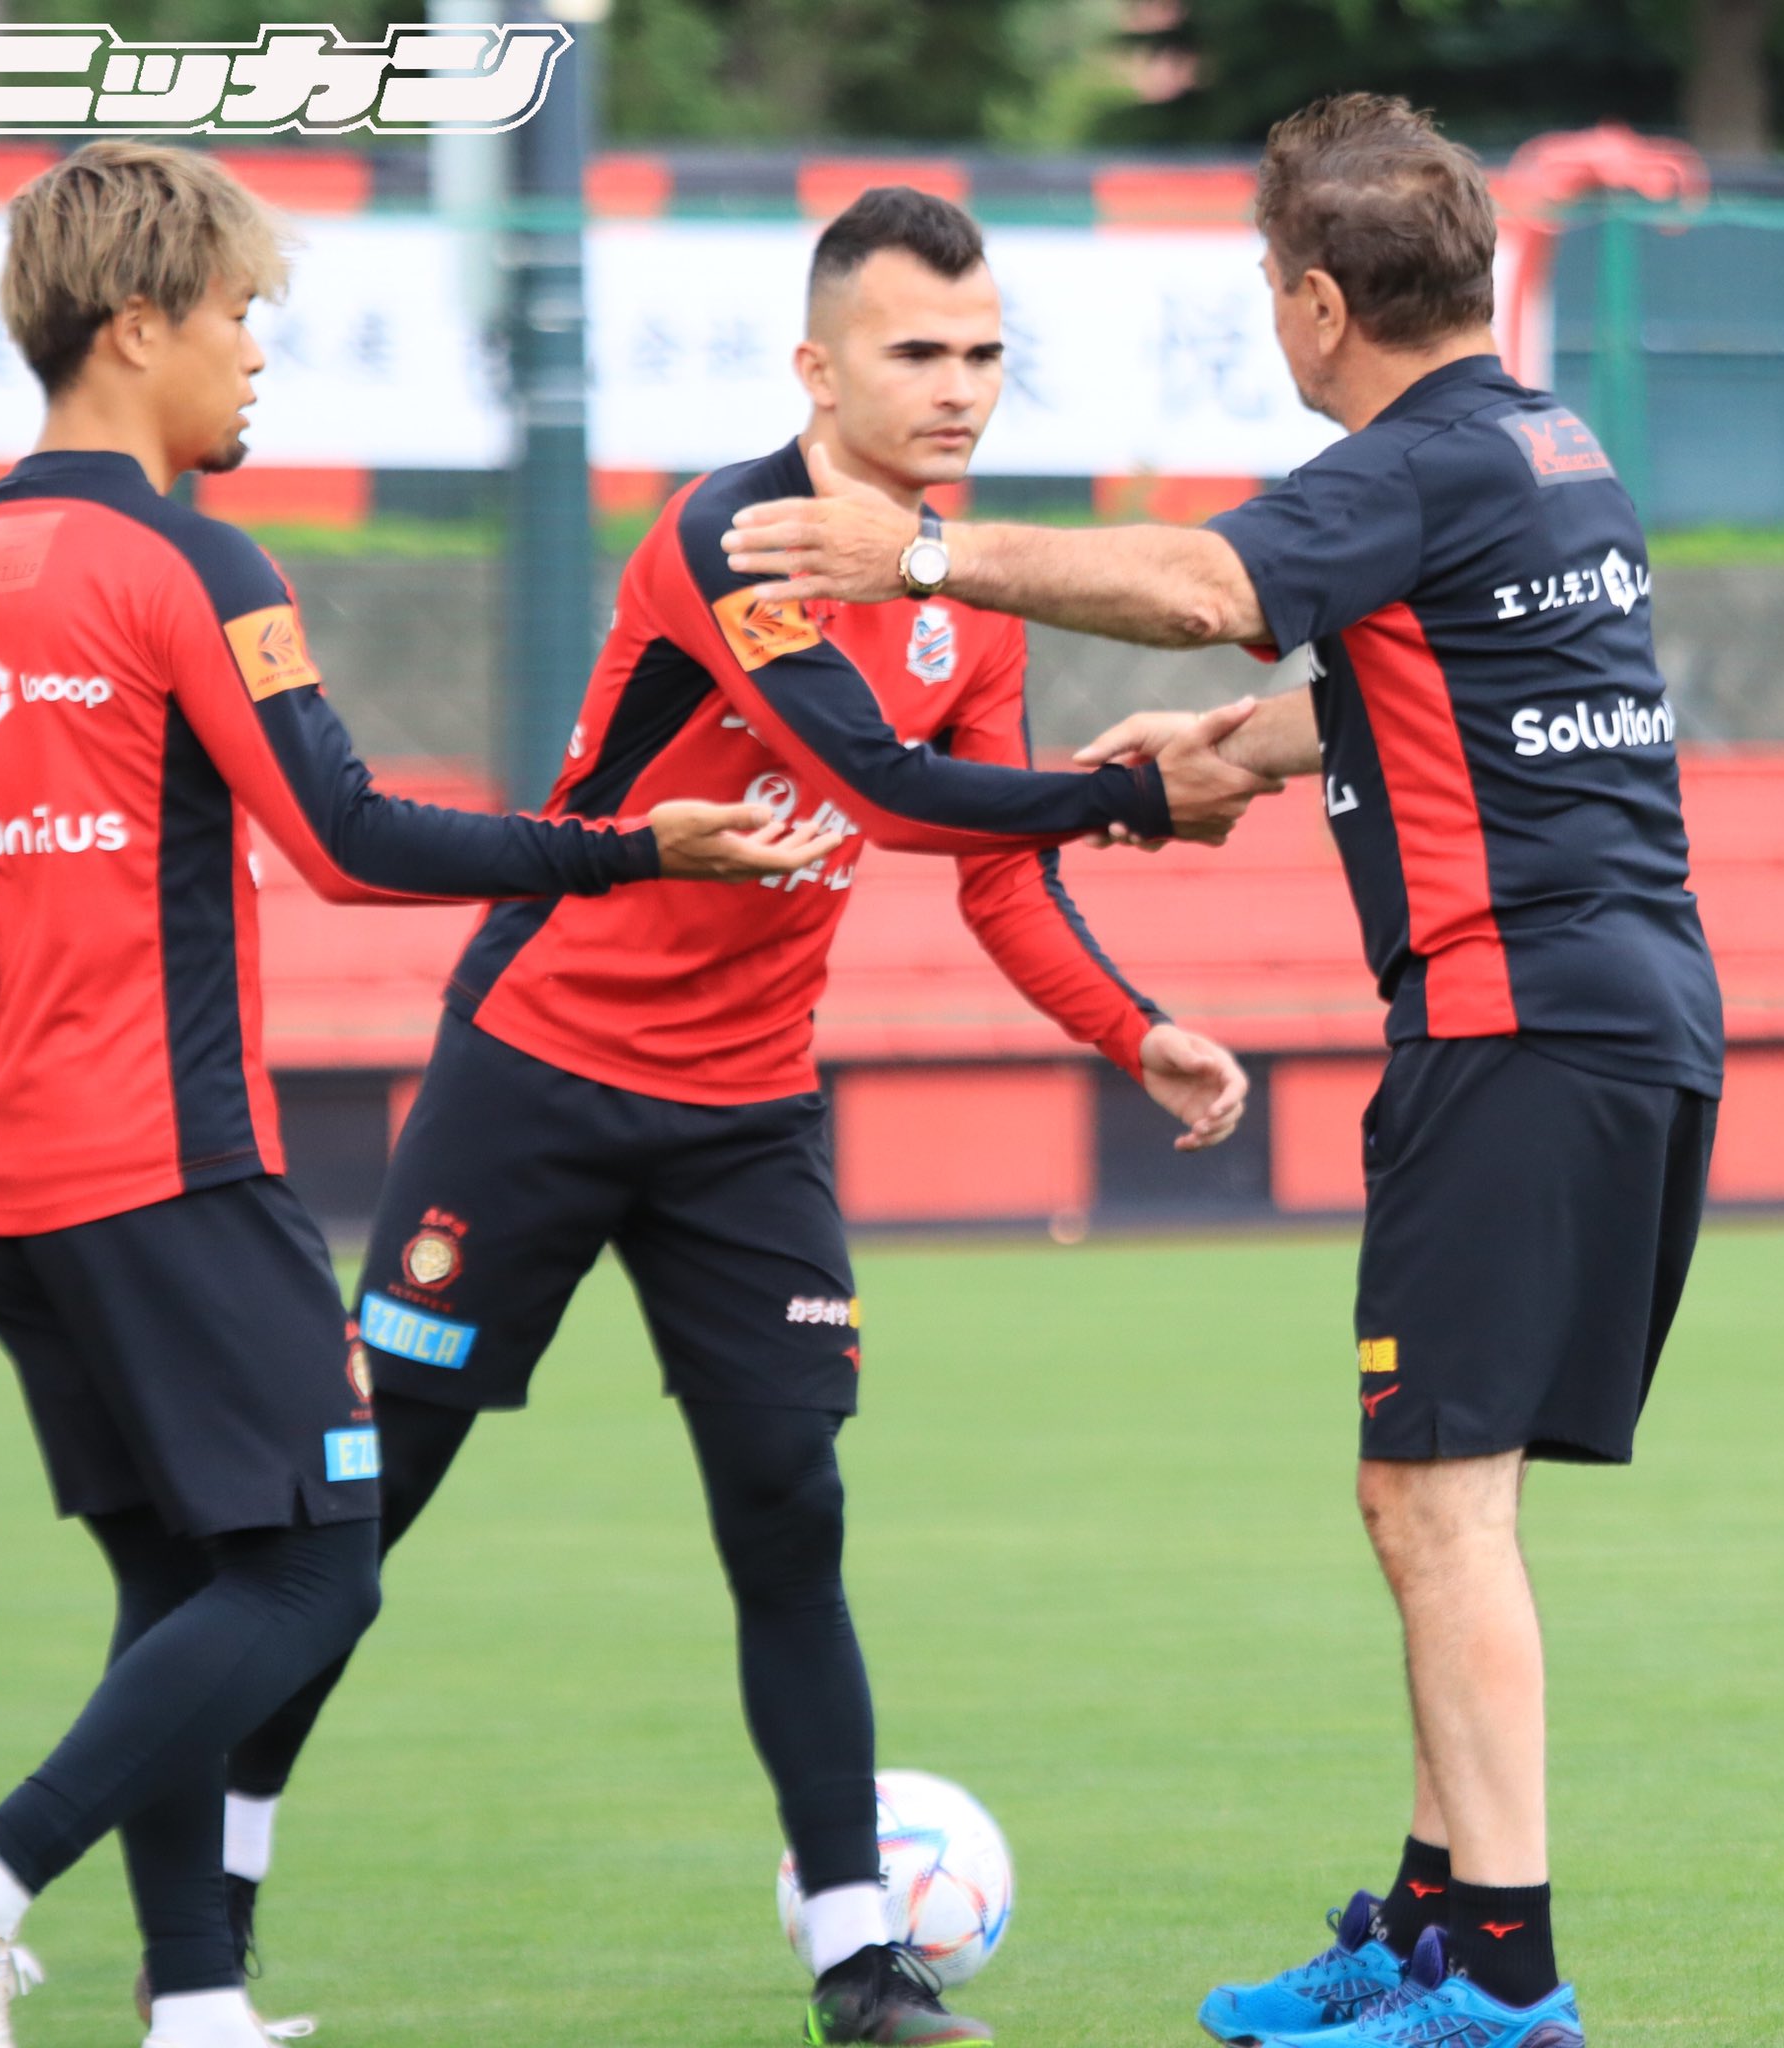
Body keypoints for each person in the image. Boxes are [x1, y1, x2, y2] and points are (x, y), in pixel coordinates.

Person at [722, 96, 1725, 2048]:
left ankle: (1502, 1977)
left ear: (1322, 304)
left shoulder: (1405, 463)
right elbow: (1436, 677)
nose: (1276, 317)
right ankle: (1431, 1925)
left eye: (1274, 286)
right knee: (1424, 1490)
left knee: (1439, 1506)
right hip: (1608, 1014)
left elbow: (1199, 581)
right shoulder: (1545, 445)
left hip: (1516, 1024)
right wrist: (1241, 751)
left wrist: (917, 553)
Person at [214, 186, 1262, 2048]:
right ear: (815, 368)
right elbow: (881, 785)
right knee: (367, 1512)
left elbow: (988, 870)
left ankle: (861, 1963)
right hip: (531, 1077)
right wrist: (1122, 800)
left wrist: (1132, 1028)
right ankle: (205, 1907)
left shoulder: (961, 592)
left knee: (789, 1510)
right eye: (914, 351)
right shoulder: (734, 532)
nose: (957, 388)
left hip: (746, 1116)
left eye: (983, 354)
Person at [0, 141, 834, 2048]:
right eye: (239, 313)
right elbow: (343, 840)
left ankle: (195, 2007)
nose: (258, 351)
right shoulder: (189, 561)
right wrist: (630, 849)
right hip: (170, 1171)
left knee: (184, 1585)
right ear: (137, 326)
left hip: (14, 1194)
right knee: (320, 1572)